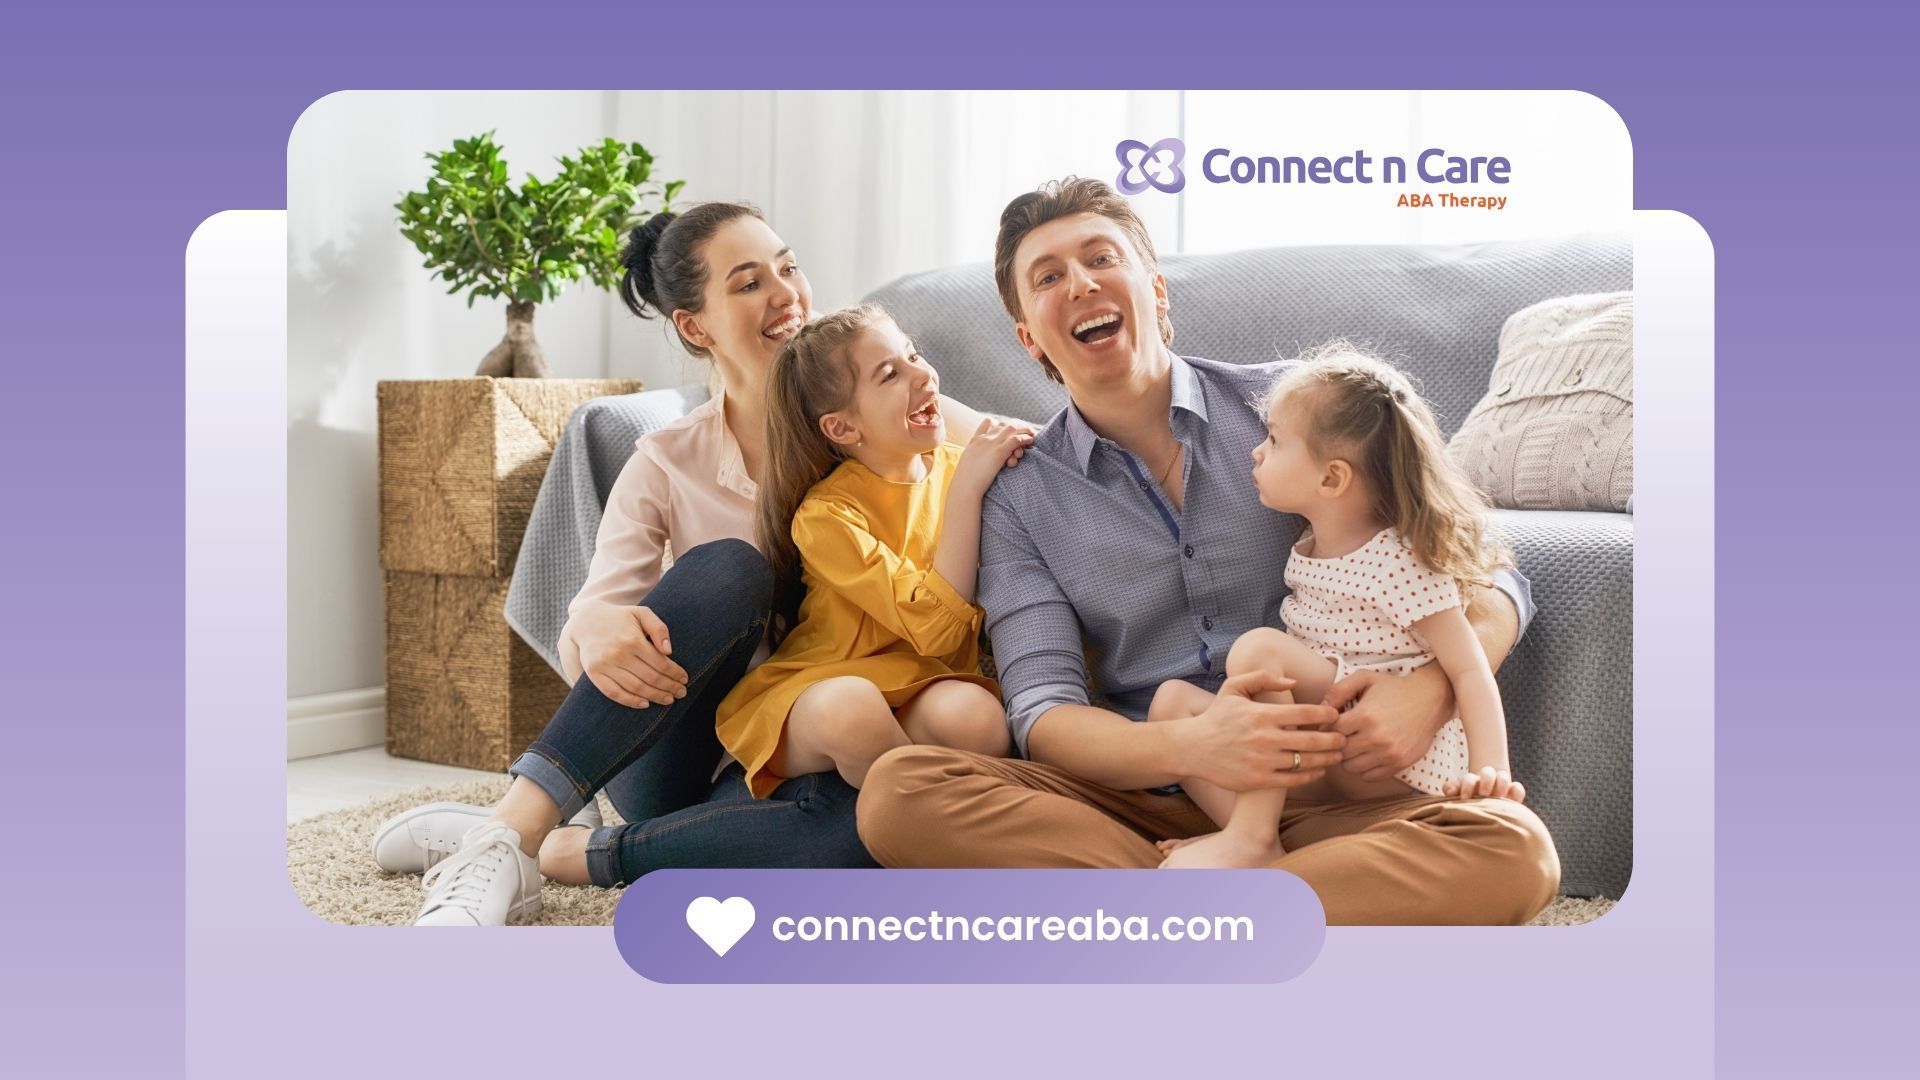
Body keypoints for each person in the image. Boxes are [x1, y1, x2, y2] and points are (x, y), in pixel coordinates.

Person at [855, 177, 1562, 924]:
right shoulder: (1020, 496)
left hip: (1337, 797)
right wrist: (1196, 747)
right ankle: (1265, 910)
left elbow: (1487, 571)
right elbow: (1042, 712)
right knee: (900, 791)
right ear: (1029, 336)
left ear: (1155, 290)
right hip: (1141, 805)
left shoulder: (1298, 408)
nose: (1081, 284)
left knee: (1515, 848)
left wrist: (1432, 687)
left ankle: (1171, 918)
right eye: (1049, 277)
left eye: (1101, 258)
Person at [370, 203, 1018, 926]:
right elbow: (590, 625)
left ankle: (570, 846)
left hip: (834, 746)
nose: (785, 294)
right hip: (690, 758)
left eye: (788, 266)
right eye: (747, 284)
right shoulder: (669, 461)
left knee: (883, 830)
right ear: (694, 325)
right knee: (731, 569)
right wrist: (598, 621)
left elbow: (1021, 451)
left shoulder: (877, 404)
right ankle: (512, 835)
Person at [1151, 346, 1525, 870]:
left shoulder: (1398, 560)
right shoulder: (1310, 546)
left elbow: (1467, 667)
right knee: (1170, 705)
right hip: (1327, 745)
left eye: (1275, 441)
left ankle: (1252, 837)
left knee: (1260, 650)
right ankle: (1258, 841)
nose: (1256, 453)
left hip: (1393, 761)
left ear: (1332, 479)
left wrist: (1491, 774)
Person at [713, 305, 1031, 794]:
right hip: (823, 688)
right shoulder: (824, 517)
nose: (922, 373)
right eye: (890, 374)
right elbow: (936, 630)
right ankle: (916, 826)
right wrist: (968, 490)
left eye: (913, 354)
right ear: (842, 428)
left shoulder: (958, 468)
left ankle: (884, 795)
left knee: (979, 719)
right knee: (854, 711)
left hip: (919, 683)